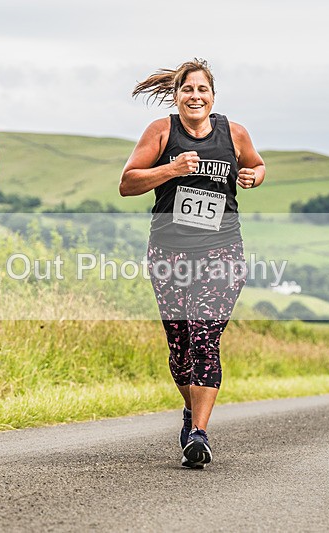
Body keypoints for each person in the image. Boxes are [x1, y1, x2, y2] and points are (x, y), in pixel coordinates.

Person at [119, 59, 264, 468]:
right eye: (188, 89)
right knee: (180, 346)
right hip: (169, 254)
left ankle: (198, 433)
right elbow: (127, 183)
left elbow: (256, 164)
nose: (195, 96)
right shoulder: (161, 132)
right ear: (176, 95)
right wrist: (171, 169)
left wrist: (254, 176)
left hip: (222, 252)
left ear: (213, 96)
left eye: (202, 89)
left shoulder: (234, 133)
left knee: (204, 336)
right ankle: (190, 410)